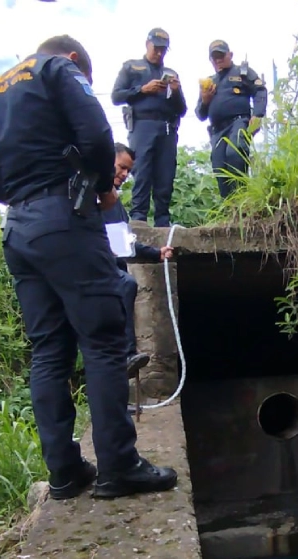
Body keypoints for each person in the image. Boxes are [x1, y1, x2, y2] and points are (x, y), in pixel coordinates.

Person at [0, 34, 178, 500]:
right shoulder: (56, 69)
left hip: (17, 231)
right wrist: (102, 186)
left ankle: (64, 473)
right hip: (64, 219)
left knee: (49, 351)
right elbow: (97, 136)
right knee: (103, 343)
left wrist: (29, 200)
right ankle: (119, 467)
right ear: (73, 61)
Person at [103, 142, 173, 377]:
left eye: (128, 171)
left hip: (113, 268)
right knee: (127, 283)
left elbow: (126, 242)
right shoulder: (92, 196)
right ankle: (127, 354)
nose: (124, 175)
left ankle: (125, 359)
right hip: (97, 270)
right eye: (121, 167)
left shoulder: (116, 205)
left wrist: (157, 252)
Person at [111, 28, 187, 228]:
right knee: (142, 171)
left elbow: (182, 109)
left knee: (165, 174)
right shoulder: (131, 67)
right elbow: (116, 96)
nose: (159, 53)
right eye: (156, 48)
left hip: (167, 128)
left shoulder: (171, 74)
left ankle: (163, 221)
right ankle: (139, 219)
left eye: (163, 49)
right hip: (142, 125)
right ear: (147, 44)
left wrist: (176, 92)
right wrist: (142, 90)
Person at [194, 39, 267, 199]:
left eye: (221, 55)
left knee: (235, 153)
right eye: (214, 57)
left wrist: (258, 114)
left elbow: (260, 90)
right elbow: (200, 114)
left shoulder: (242, 73)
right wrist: (205, 100)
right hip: (217, 130)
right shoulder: (209, 82)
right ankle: (230, 208)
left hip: (239, 122)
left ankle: (243, 200)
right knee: (219, 166)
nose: (218, 60)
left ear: (230, 55)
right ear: (210, 60)